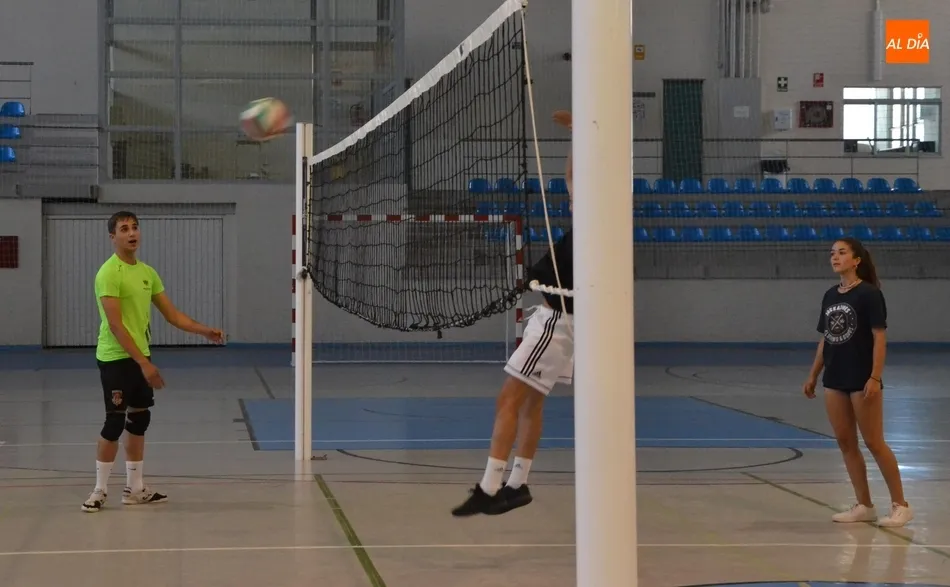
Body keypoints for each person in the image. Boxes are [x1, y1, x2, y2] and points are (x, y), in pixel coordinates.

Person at [452, 110, 574, 517]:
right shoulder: (594, 223)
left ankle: (489, 488)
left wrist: (580, 132)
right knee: (530, 404)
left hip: (557, 323)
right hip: (560, 321)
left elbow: (575, 177)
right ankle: (518, 485)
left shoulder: (596, 223)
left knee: (508, 398)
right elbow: (572, 176)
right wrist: (577, 134)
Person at [82, 211, 224, 513]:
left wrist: (204, 330)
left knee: (139, 420)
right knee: (114, 423)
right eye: (124, 229)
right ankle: (99, 490)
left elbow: (172, 315)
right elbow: (116, 325)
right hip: (115, 358)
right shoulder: (109, 273)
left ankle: (134, 489)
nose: (132, 233)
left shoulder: (148, 273)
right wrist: (143, 363)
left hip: (140, 355)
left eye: (135, 227)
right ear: (113, 237)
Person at [802, 237, 912, 527]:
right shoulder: (830, 295)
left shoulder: (869, 294)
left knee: (874, 442)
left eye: (842, 253)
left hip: (862, 378)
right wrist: (813, 374)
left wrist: (875, 376)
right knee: (845, 442)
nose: (835, 257)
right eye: (832, 253)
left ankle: (901, 505)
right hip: (834, 378)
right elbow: (826, 338)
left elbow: (879, 338)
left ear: (857, 260)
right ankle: (864, 505)